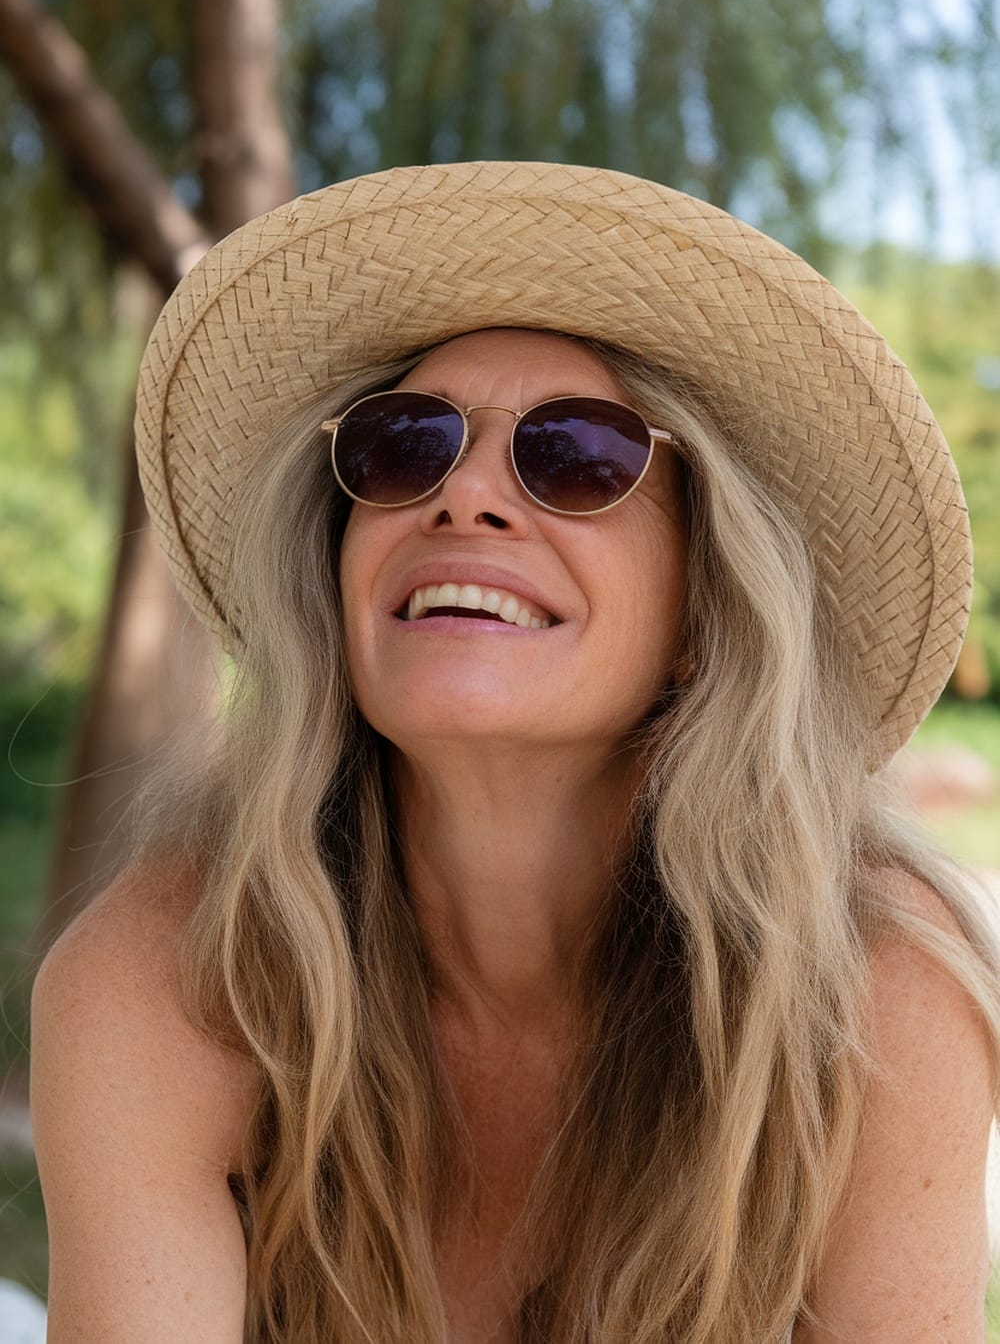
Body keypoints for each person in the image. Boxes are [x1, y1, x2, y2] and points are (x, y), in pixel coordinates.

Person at [29, 161, 1000, 1343]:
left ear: (704, 612)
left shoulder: (876, 991)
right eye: (402, 446)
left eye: (578, 456)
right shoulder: (174, 977)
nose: (467, 495)